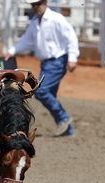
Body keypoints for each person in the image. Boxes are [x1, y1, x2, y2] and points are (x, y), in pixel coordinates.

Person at [5, 0, 79, 137]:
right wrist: (13, 50)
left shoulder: (56, 19)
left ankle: (63, 118)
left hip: (57, 61)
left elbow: (71, 37)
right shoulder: (34, 22)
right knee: (49, 93)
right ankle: (68, 130)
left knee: (42, 91)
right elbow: (26, 40)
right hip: (47, 63)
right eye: (33, 5)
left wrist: (72, 57)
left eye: (37, 4)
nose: (35, 7)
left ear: (45, 3)